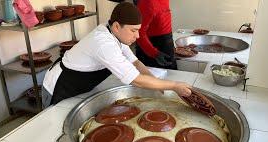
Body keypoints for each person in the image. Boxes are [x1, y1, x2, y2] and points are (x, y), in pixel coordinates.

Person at [42, 2, 191, 108]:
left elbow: (136, 63)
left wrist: (157, 84)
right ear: (117, 26)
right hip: (59, 87)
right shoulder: (104, 43)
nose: (138, 36)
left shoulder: (115, 35)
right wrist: (174, 86)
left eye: (138, 30)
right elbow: (135, 80)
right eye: (133, 30)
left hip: (79, 86)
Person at [134, 0, 177, 70]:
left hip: (166, 47)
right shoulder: (147, 2)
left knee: (173, 76)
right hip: (152, 51)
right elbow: (139, 32)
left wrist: (170, 46)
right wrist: (155, 53)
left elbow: (162, 23)